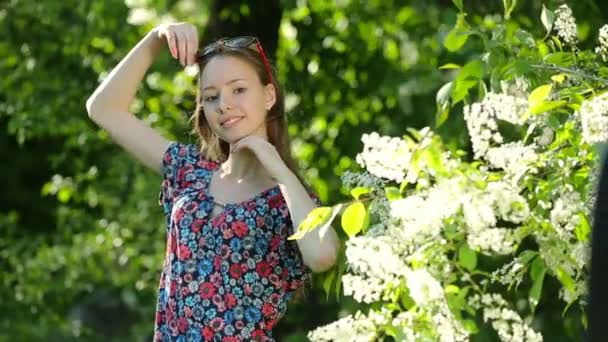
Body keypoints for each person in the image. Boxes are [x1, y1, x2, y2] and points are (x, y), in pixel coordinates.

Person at [85, 22, 340, 341]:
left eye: (239, 89)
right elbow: (103, 109)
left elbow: (322, 256)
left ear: (269, 95)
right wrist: (156, 38)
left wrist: (279, 170)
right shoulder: (189, 171)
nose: (224, 104)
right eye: (211, 96)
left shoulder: (288, 198)